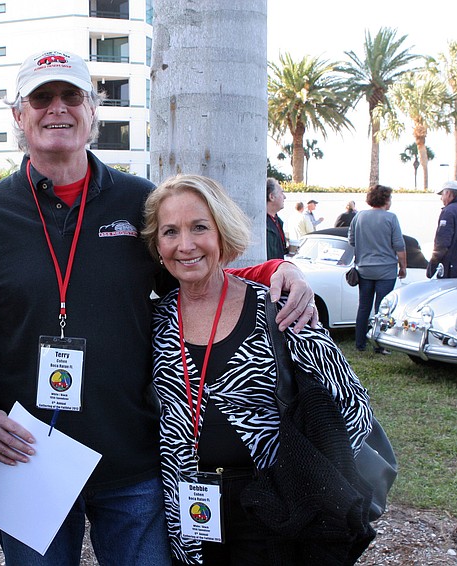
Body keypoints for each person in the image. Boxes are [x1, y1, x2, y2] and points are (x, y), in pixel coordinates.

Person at [0, 48, 317, 566]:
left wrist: (274, 270)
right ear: (18, 115)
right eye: (41, 97)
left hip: (132, 456)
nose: (58, 108)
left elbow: (193, 269)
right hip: (23, 456)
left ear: (93, 111)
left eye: (71, 96)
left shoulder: (138, 200)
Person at [143, 174, 373, 565]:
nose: (185, 245)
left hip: (275, 508)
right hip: (190, 511)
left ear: (221, 232)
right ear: (157, 244)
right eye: (170, 232)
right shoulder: (155, 321)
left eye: (200, 227)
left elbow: (353, 408)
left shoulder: (278, 307)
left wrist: (302, 482)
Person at [348, 184, 407, 353]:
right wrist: (403, 267)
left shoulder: (359, 216)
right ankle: (379, 345)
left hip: (364, 268)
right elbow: (399, 245)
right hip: (386, 270)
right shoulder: (390, 218)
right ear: (386, 199)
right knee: (382, 308)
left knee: (364, 306)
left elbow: (351, 241)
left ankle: (360, 344)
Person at [427, 180, 457, 279]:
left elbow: (442, 243)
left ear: (448, 193)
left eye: (442, 194)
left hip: (452, 269)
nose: (441, 198)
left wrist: (432, 267)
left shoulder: (449, 212)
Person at [265, 178, 288, 259]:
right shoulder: (261, 224)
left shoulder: (278, 221)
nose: (284, 197)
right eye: (282, 193)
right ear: (271, 197)